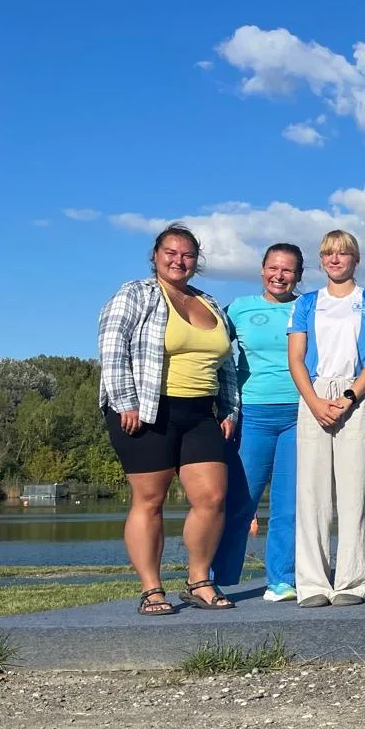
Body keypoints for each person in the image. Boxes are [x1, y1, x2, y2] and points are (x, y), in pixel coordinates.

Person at [97, 223, 239, 615]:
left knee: (212, 497)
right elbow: (112, 348)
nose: (179, 260)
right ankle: (151, 589)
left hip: (200, 412)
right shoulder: (136, 294)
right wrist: (125, 401)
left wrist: (229, 408)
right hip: (146, 409)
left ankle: (199, 580)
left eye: (187, 254)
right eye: (171, 253)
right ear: (156, 256)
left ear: (197, 260)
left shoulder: (209, 302)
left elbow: (226, 364)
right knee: (150, 499)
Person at [287, 230, 365, 607]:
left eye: (343, 253)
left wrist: (349, 397)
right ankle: (313, 583)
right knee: (312, 494)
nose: (335, 259)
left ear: (355, 259)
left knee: (354, 494)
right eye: (328, 254)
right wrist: (315, 401)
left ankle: (351, 581)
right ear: (321, 260)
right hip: (314, 393)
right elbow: (296, 358)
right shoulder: (306, 304)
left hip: (357, 395)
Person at [214, 243, 303, 600]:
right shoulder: (239, 308)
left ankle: (281, 579)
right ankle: (217, 577)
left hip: (300, 413)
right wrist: (220, 406)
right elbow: (212, 351)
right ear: (262, 269)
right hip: (252, 413)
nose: (279, 276)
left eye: (288, 270)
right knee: (241, 499)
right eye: (273, 268)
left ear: (298, 274)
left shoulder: (307, 307)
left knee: (288, 504)